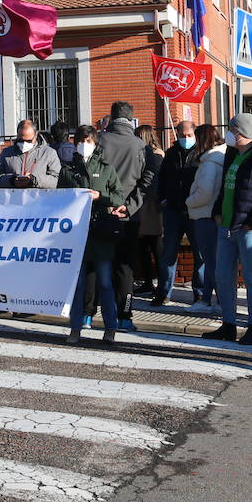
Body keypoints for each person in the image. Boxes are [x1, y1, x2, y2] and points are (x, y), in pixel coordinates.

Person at [201, 114, 252, 346]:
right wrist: (217, 212)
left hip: (250, 229)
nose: (227, 133)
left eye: (231, 129)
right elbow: (226, 187)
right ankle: (228, 325)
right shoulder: (232, 153)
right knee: (223, 277)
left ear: (240, 132)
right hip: (226, 225)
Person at [60, 125, 128, 344]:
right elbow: (59, 198)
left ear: (95, 143)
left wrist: (101, 197)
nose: (84, 144)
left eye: (89, 141)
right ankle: (75, 328)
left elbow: (119, 196)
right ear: (75, 142)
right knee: (78, 284)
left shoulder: (106, 168)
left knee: (105, 282)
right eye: (81, 140)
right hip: (77, 234)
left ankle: (110, 328)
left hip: (101, 233)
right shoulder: (68, 169)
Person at [96, 102, 153, 332]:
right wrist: (129, 207)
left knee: (99, 265)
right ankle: (125, 315)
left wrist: (107, 203)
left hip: (101, 213)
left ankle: (92, 314)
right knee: (126, 268)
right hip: (129, 217)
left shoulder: (99, 142)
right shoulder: (141, 146)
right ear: (131, 120)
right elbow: (147, 180)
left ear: (112, 118)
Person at [155, 119, 205, 307]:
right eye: (182, 135)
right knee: (168, 253)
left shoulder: (201, 153)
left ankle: (199, 293)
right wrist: (162, 199)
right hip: (173, 210)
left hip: (194, 210)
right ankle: (164, 292)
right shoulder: (171, 153)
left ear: (195, 134)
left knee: (200, 253)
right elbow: (162, 179)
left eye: (189, 135)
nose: (185, 138)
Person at [184, 123, 226, 314]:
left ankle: (220, 301)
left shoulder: (209, 163)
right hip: (212, 215)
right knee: (212, 262)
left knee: (211, 262)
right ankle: (208, 299)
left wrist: (188, 201)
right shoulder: (221, 157)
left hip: (204, 215)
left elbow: (205, 193)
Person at [132, 124, 165, 300]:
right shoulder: (157, 156)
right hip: (149, 205)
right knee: (147, 246)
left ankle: (155, 283)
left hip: (149, 204)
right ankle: (151, 282)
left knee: (152, 245)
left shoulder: (154, 157)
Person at [0, 119, 61, 189]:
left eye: (28, 141)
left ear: (36, 135)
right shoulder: (6, 153)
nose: (24, 144)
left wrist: (34, 180)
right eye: (21, 140)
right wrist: (12, 180)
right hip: (14, 198)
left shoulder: (49, 153)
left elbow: (56, 180)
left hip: (39, 198)